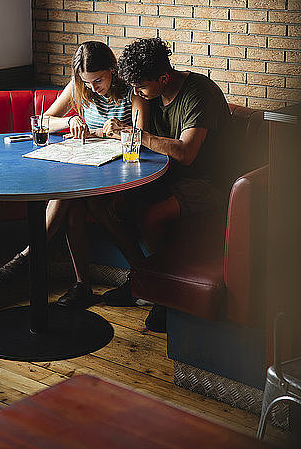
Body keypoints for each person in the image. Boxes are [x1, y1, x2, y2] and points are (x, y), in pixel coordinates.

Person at [89, 37, 234, 331]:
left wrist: (133, 134)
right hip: (166, 177)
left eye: (140, 86)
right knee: (99, 201)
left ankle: (163, 295)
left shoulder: (199, 93)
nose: (136, 92)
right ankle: (144, 280)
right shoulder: (152, 94)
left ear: (163, 78)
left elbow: (186, 153)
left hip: (211, 182)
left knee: (151, 215)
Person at [0, 41, 147, 308]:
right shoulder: (78, 87)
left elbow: (139, 135)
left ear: (113, 69)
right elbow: (41, 121)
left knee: (75, 194)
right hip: (86, 167)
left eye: (97, 80)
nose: (92, 88)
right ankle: (81, 285)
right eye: (86, 82)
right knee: (72, 198)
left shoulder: (131, 91)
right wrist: (69, 121)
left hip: (120, 172)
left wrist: (115, 129)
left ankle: (31, 255)